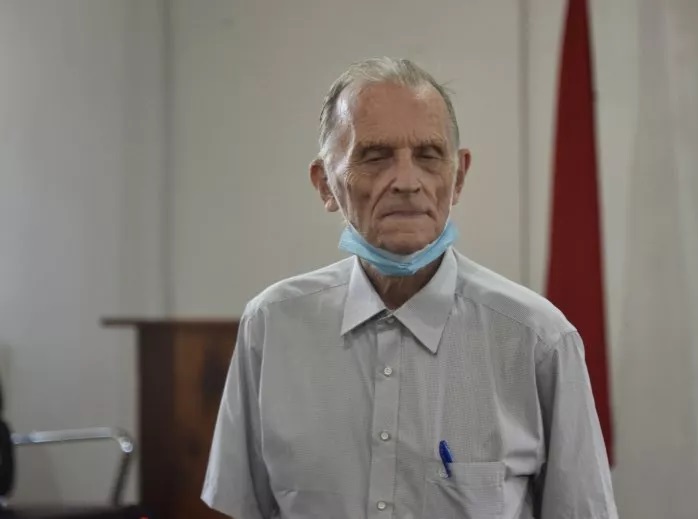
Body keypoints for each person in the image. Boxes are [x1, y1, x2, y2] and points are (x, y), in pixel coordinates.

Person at [202, 57, 617, 519]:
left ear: (458, 176)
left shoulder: (537, 339)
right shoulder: (272, 326)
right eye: (375, 156)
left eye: (428, 155)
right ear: (325, 184)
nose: (405, 182)